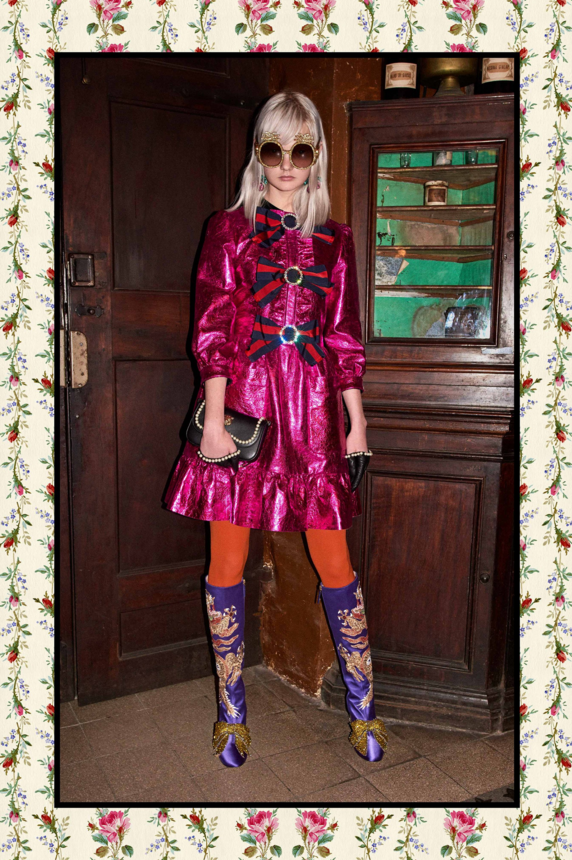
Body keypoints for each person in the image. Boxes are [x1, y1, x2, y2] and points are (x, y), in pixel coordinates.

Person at [163, 90, 388, 769]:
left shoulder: (336, 240)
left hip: (314, 415)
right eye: (273, 148)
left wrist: (356, 422)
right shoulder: (228, 230)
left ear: (317, 155)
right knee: (227, 564)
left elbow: (343, 337)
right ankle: (232, 715)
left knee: (336, 564)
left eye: (301, 149)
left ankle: (363, 709)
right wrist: (213, 420)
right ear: (257, 154)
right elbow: (212, 326)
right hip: (246, 411)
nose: (286, 163)